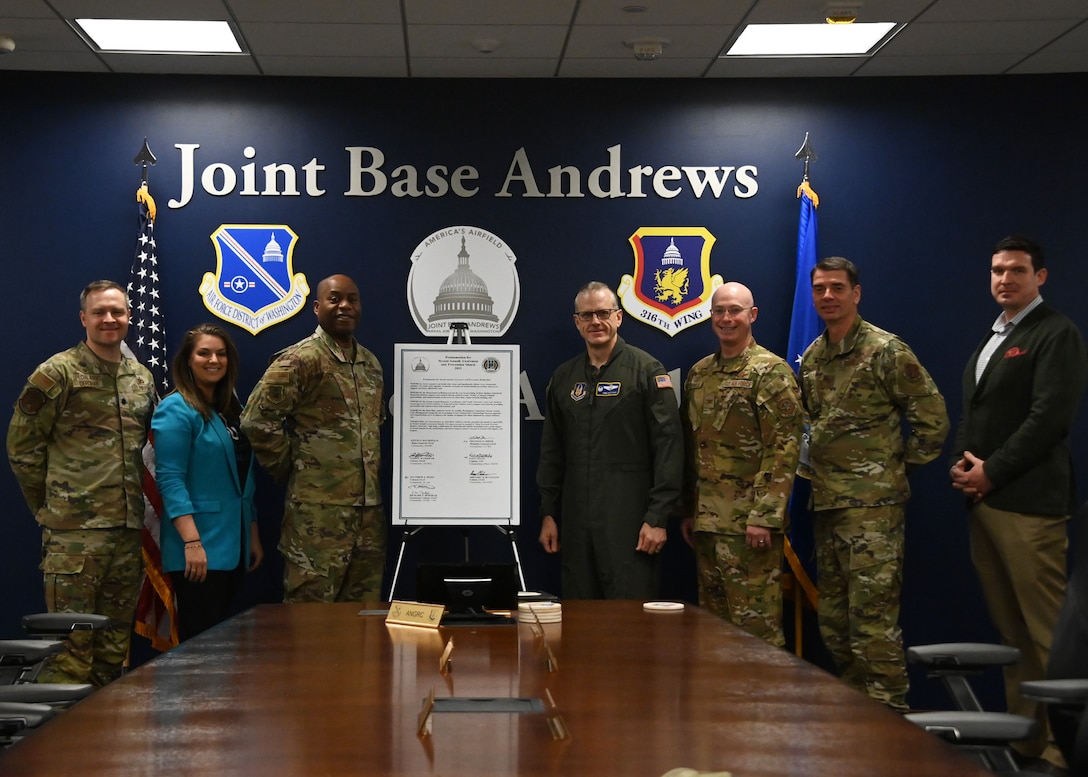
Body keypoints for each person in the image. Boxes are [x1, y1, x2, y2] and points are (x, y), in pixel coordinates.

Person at [950, 234, 1087, 761]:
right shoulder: (995, 335)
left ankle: (1065, 750)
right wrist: (964, 465)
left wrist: (993, 472)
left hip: (1028, 503)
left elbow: (1049, 419)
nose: (1004, 279)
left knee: (1048, 633)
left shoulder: (1056, 333)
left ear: (1040, 277)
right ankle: (1027, 743)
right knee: (1012, 634)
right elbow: (976, 410)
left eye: (1017, 271)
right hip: (986, 501)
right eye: (997, 270)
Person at [800, 256, 948, 710]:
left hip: (872, 512)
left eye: (837, 288)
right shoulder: (811, 358)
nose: (828, 296)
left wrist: (892, 471)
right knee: (835, 625)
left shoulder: (886, 351)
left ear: (856, 293)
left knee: (872, 625)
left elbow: (933, 419)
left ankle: (892, 723)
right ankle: (857, 722)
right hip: (827, 506)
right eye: (820, 288)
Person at [7, 280, 156, 686]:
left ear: (128, 316)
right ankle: (59, 744)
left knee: (112, 649)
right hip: (74, 537)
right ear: (83, 318)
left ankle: (102, 741)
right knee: (70, 649)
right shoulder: (58, 372)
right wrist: (50, 507)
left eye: (118, 312)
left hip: (126, 533)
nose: (110, 319)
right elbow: (22, 446)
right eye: (100, 312)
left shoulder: (141, 378)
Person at [241, 274, 387, 603]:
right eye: (335, 299)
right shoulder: (300, 360)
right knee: (309, 617)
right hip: (317, 516)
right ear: (318, 307)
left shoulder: (371, 365)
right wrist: (292, 469)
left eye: (352, 299)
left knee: (364, 619)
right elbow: (256, 421)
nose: (345, 306)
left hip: (368, 516)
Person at [536, 281, 683, 599]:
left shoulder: (646, 371)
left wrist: (657, 517)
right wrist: (549, 512)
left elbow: (669, 446)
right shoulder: (564, 377)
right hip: (576, 524)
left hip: (629, 523)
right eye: (587, 315)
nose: (595, 322)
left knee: (629, 621)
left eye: (603, 313)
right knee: (580, 621)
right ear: (577, 322)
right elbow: (552, 452)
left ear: (618, 317)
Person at [679, 282, 802, 645]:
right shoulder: (700, 374)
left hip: (750, 528)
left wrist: (765, 516)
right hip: (707, 523)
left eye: (735, 310)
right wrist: (689, 508)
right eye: (719, 311)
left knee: (756, 633)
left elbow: (784, 448)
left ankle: (765, 703)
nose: (726, 318)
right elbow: (693, 448)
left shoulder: (771, 372)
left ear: (753, 315)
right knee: (715, 631)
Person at [151, 323, 263, 642]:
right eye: (204, 353)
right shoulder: (175, 408)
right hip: (198, 547)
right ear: (188, 360)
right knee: (199, 646)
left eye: (221, 353)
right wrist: (192, 542)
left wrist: (251, 532)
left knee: (218, 642)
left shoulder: (232, 408)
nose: (213, 360)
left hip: (234, 544)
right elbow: (170, 480)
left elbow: (245, 477)